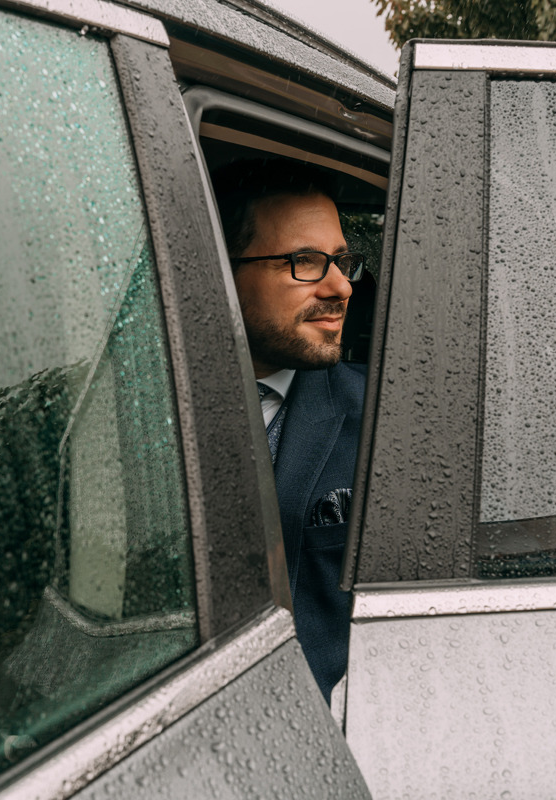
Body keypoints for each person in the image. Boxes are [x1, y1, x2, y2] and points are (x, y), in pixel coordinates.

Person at [212, 159, 366, 704]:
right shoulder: (122, 412)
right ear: (219, 269)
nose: (341, 286)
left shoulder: (385, 420)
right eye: (305, 262)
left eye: (341, 261)